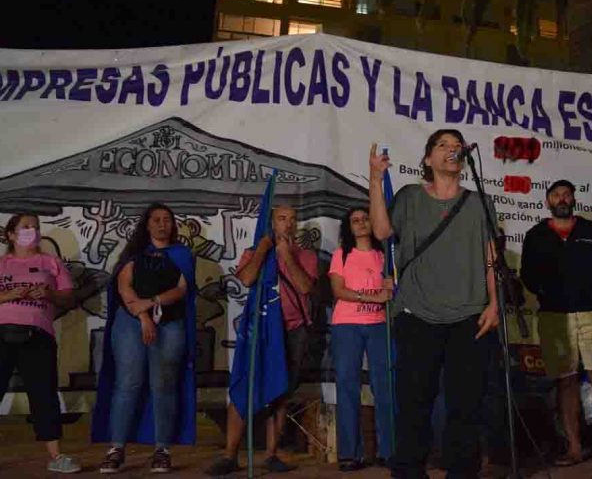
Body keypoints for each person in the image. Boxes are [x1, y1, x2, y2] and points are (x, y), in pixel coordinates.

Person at [369, 129, 499, 479]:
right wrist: (376, 179)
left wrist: (494, 303)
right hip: (417, 314)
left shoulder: (478, 203)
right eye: (442, 145)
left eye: (457, 147)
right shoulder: (411, 196)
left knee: (466, 405)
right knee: (414, 403)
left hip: (469, 315)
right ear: (428, 158)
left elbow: (490, 257)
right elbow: (381, 232)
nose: (451, 151)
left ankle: (462, 472)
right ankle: (410, 471)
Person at [206, 205, 318, 475]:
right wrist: (265, 249)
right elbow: (246, 278)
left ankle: (271, 454)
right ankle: (230, 454)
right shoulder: (255, 252)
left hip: (292, 330)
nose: (288, 224)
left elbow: (305, 287)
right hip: (261, 329)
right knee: (244, 387)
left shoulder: (306, 255)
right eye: (282, 219)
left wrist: (286, 255)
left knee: (280, 392)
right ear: (272, 223)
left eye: (293, 219)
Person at [520, 180, 592, 466]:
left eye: (567, 194)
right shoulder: (536, 235)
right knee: (566, 382)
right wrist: (548, 292)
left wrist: (589, 291)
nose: (562, 199)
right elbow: (527, 275)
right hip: (554, 316)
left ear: (574, 199)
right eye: (556, 195)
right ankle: (575, 448)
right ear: (547, 201)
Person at [92, 203, 197, 474]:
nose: (162, 224)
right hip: (131, 322)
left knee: (163, 385)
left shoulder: (182, 254)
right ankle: (116, 449)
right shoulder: (134, 254)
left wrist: (152, 303)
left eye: (167, 220)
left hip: (170, 323)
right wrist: (143, 316)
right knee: (128, 382)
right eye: (156, 220)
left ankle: (162, 450)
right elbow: (124, 286)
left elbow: (182, 290)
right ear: (147, 224)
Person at [0, 213, 81, 474]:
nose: (32, 232)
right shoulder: (1, 264)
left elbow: (68, 299)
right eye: (25, 228)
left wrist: (50, 293)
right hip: (2, 334)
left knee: (44, 395)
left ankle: (56, 456)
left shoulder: (51, 262)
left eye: (35, 228)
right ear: (11, 235)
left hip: (38, 335)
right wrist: (8, 294)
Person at [329, 207, 393, 471]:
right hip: (347, 325)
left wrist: (390, 288)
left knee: (385, 386)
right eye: (355, 220)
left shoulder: (385, 256)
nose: (362, 223)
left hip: (379, 325)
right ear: (349, 227)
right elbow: (338, 290)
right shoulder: (341, 255)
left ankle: (389, 451)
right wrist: (374, 297)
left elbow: (392, 289)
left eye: (365, 218)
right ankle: (349, 454)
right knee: (347, 386)